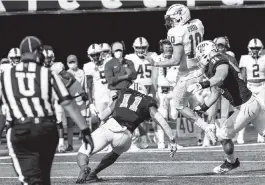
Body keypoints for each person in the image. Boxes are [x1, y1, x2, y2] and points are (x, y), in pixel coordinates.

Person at [3, 36, 94, 185]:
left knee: (30, 180)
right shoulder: (47, 73)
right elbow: (68, 103)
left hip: (20, 129)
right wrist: (85, 130)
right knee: (43, 179)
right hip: (46, 129)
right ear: (37, 52)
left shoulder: (6, 75)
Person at [187, 40, 265, 174]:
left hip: (246, 106)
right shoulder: (211, 67)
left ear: (207, 53)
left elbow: (220, 77)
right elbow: (216, 91)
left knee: (223, 136)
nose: (199, 59)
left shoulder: (218, 59)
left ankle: (231, 162)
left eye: (200, 55)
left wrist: (201, 85)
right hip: (251, 103)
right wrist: (202, 108)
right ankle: (231, 162)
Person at [75, 84, 178, 184]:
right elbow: (161, 120)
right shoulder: (147, 101)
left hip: (111, 126)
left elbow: (104, 115)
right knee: (114, 154)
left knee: (82, 153)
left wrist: (97, 115)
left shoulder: (122, 94)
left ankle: (84, 167)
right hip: (126, 135)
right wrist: (172, 140)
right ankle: (93, 174)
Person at [146, 4, 216, 142]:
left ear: (180, 17)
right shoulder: (198, 24)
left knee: (178, 104)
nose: (169, 22)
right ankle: (201, 110)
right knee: (185, 96)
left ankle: (207, 127)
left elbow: (175, 60)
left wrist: (155, 63)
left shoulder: (176, 32)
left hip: (188, 73)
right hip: (196, 69)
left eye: (171, 19)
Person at [125, 37, 159, 149]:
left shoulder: (153, 55)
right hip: (136, 88)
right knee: (135, 116)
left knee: (154, 115)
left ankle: (158, 139)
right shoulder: (129, 57)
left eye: (143, 47)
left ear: (147, 47)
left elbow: (156, 73)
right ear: (134, 48)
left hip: (150, 87)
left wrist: (155, 90)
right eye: (138, 48)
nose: (141, 50)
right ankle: (136, 141)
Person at [203, 36, 237, 146]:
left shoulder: (230, 58)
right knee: (211, 114)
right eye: (219, 46)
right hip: (214, 89)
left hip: (227, 90)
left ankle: (223, 136)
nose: (221, 48)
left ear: (226, 47)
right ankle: (207, 138)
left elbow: (237, 73)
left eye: (222, 46)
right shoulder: (211, 59)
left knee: (224, 115)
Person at [238, 38, 265, 144]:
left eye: (257, 48)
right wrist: (243, 89)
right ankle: (240, 136)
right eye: (253, 48)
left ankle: (261, 135)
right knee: (245, 112)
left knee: (262, 111)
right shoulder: (245, 58)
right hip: (250, 86)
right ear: (249, 49)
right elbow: (243, 75)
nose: (255, 50)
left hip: (262, 86)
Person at [83, 43, 110, 131]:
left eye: (97, 54)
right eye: (93, 55)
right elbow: (89, 86)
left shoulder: (109, 62)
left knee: (112, 122)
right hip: (99, 98)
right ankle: (96, 142)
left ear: (101, 53)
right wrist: (91, 103)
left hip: (111, 96)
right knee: (96, 122)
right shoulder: (88, 66)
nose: (95, 57)